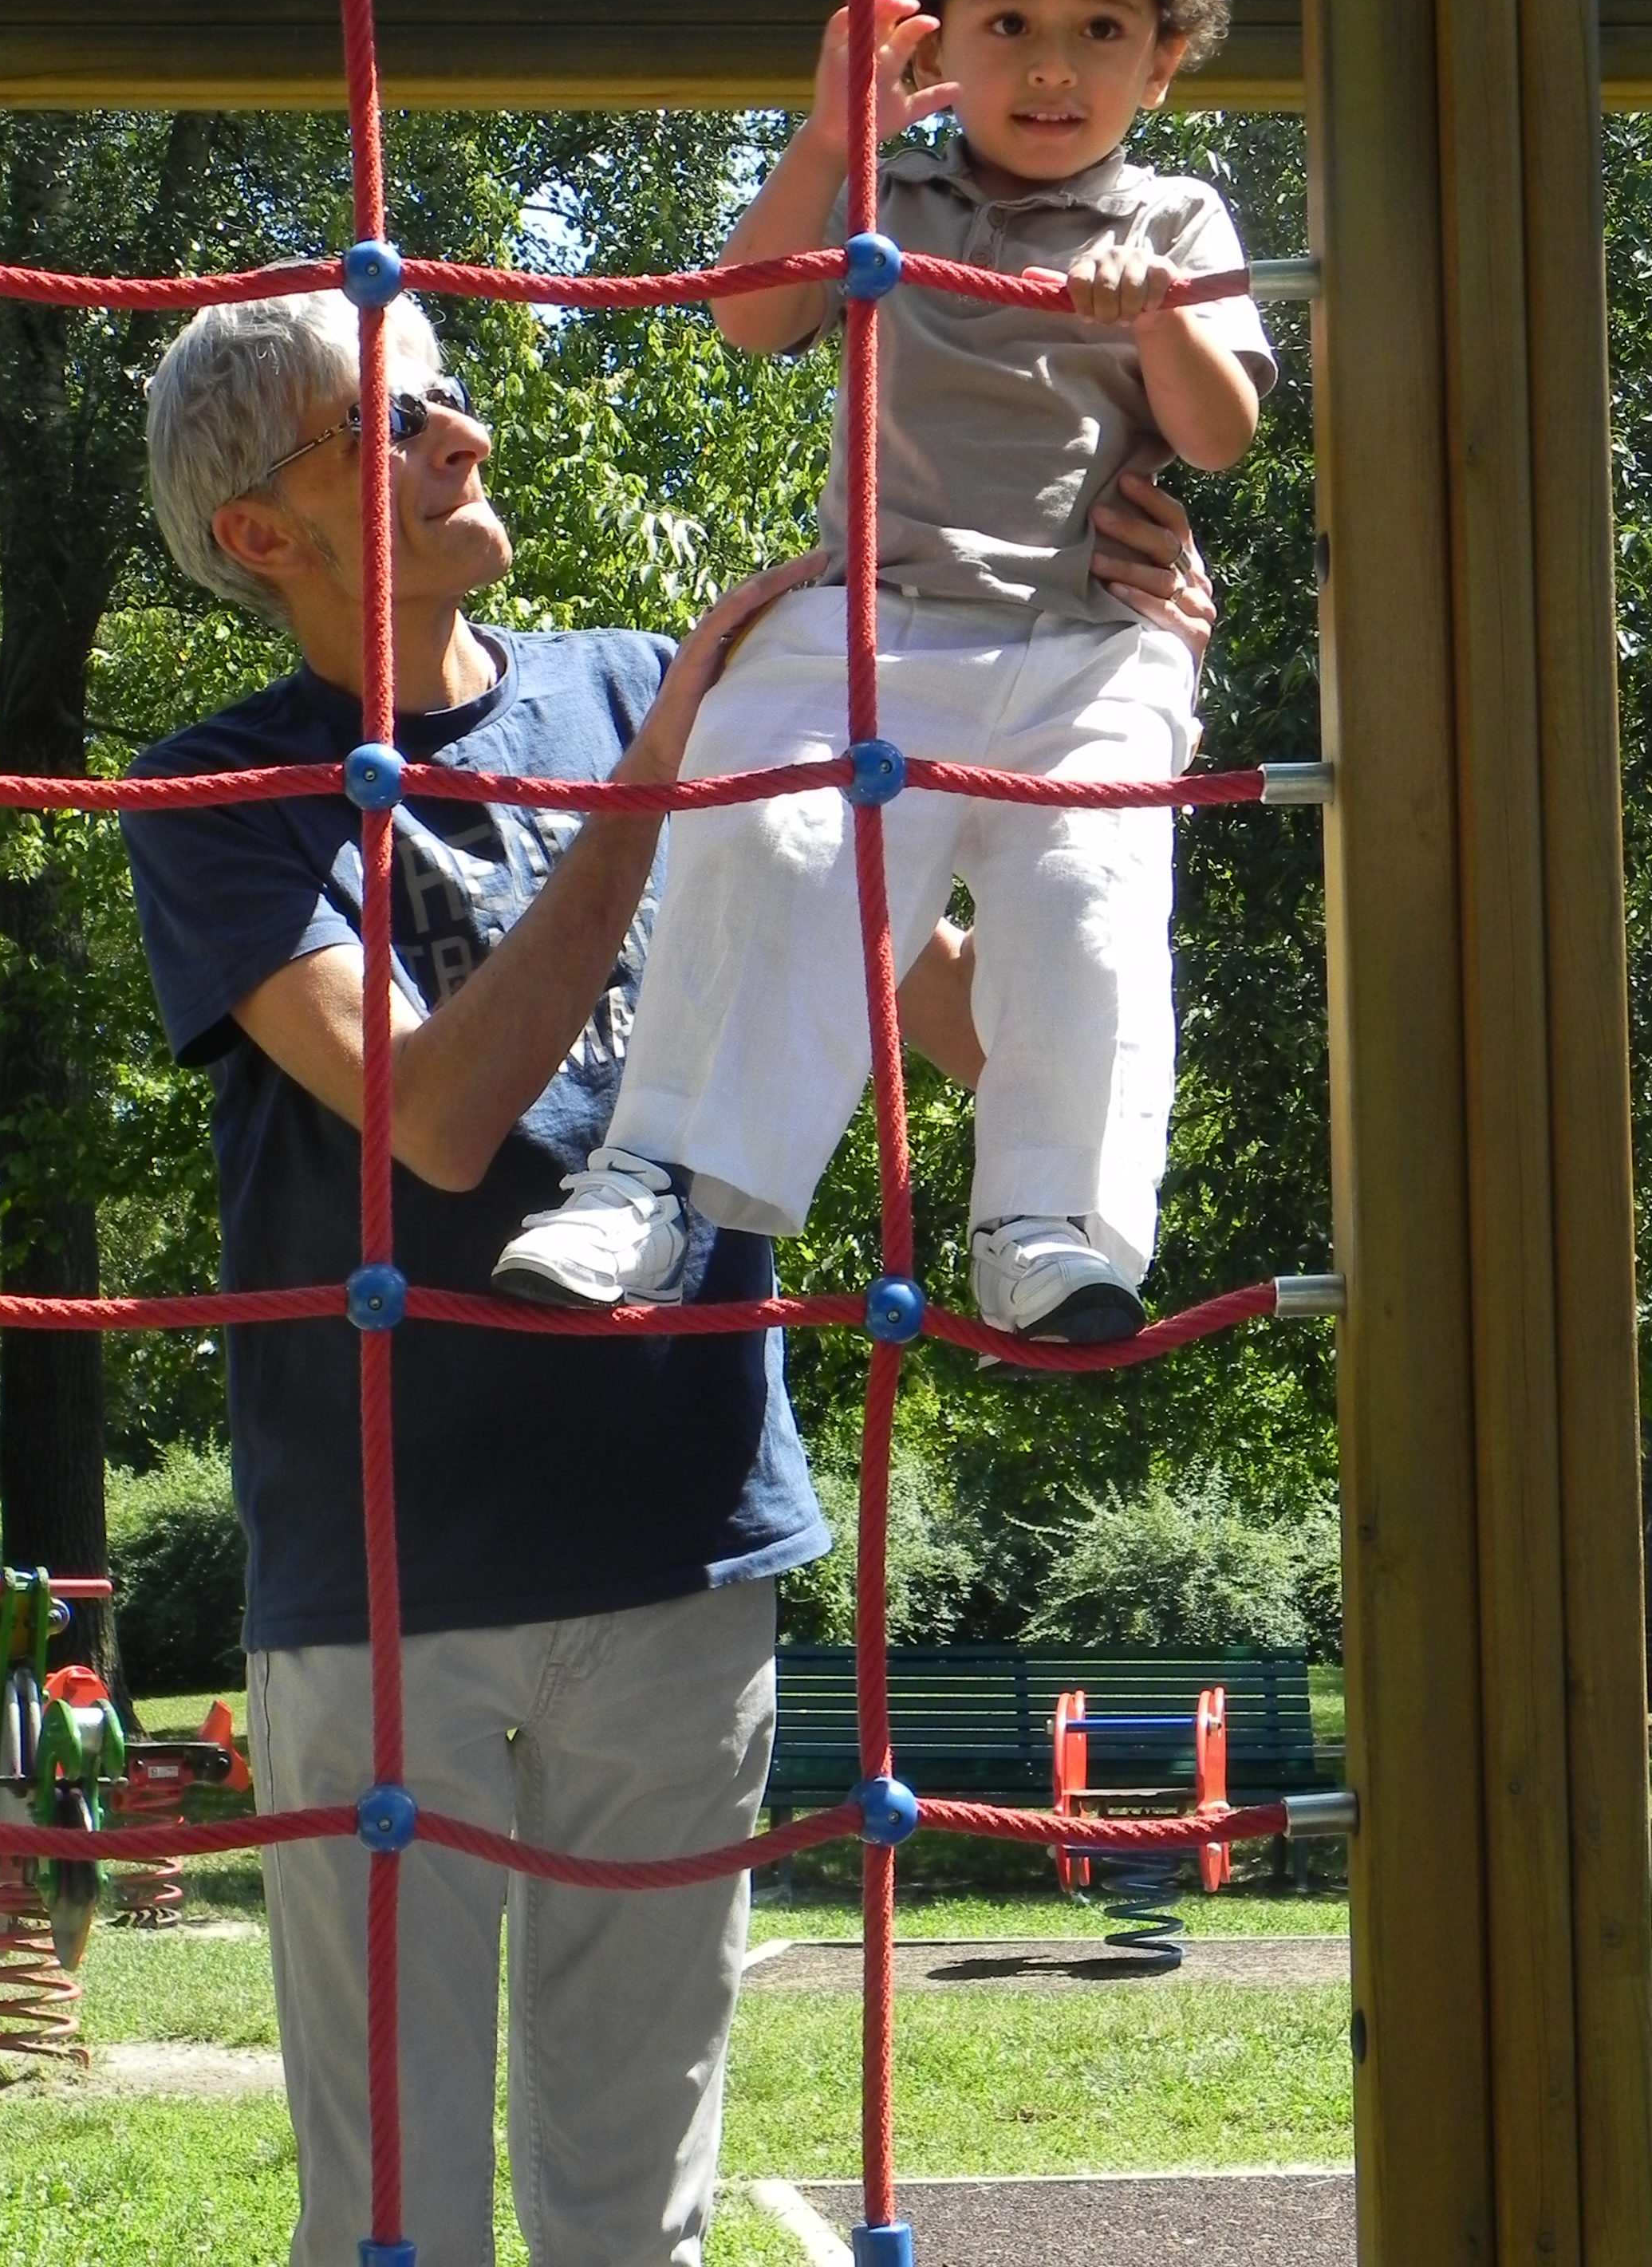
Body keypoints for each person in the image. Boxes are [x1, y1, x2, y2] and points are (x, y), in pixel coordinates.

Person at [120, 282, 1213, 2267]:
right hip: (385, 1578)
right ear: (261, 532)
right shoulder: (227, 796)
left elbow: (957, 1029)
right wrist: (667, 784)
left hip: (681, 1537)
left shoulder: (649, 684)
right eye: (392, 422)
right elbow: (437, 1119)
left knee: (634, 2214)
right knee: (392, 2224)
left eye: (448, 395)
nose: (459, 434)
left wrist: (1101, 699)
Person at [495, 0, 1275, 1349]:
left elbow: (1220, 428)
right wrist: (826, 142)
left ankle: (1052, 1220)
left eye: (1102, 29)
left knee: (1087, 892)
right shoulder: (888, 194)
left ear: (1163, 64)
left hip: (1090, 643)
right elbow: (750, 318)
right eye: (1008, 24)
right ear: (936, 44)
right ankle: (654, 1179)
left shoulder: (1174, 220)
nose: (1054, 65)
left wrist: (1155, 316)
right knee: (767, 825)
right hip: (873, 621)